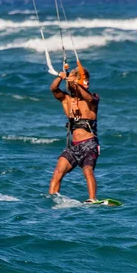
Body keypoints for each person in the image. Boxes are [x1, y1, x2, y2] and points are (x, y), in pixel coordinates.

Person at [48, 67, 100, 203]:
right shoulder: (67, 100)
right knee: (58, 172)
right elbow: (53, 89)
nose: (87, 84)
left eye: (88, 81)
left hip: (90, 143)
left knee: (88, 171)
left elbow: (89, 98)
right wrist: (61, 76)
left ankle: (92, 199)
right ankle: (52, 200)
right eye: (85, 81)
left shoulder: (93, 98)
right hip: (74, 146)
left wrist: (77, 83)